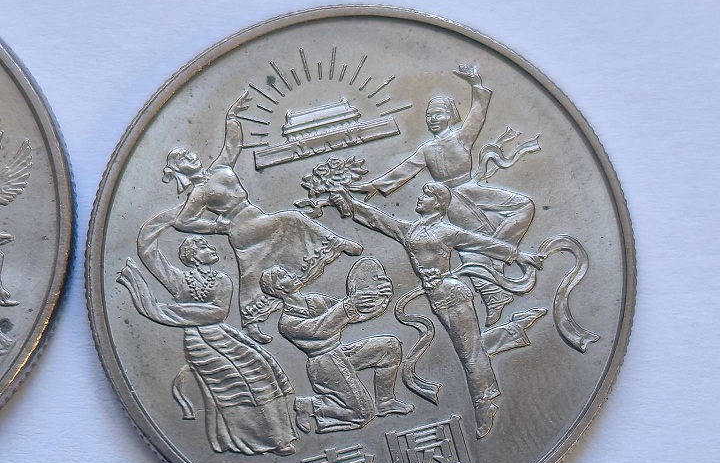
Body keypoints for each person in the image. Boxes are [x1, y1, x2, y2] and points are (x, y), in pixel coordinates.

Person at [328, 180, 543, 438]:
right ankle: (514, 330)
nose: (419, 198)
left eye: (426, 195)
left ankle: (484, 405)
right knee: (470, 348)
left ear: (439, 204)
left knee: (469, 354)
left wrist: (520, 255)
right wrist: (351, 203)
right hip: (437, 299)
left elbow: (482, 244)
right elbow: (379, 220)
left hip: (453, 295)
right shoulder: (411, 230)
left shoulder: (446, 232)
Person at [165, 92, 362, 343]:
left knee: (251, 273)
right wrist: (215, 226)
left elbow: (233, 145)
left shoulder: (219, 168)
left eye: (187, 153)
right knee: (291, 218)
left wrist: (232, 118)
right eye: (182, 159)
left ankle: (251, 323)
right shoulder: (199, 193)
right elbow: (182, 222)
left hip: (253, 220)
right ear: (179, 169)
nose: (189, 157)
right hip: (242, 226)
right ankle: (338, 242)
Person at [360, 65, 537, 325]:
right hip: (449, 199)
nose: (432, 119)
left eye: (438, 114)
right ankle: (493, 294)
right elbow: (405, 169)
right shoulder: (426, 149)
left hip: (470, 189)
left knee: (524, 205)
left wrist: (476, 83)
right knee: (468, 245)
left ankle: (495, 259)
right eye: (429, 115)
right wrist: (376, 185)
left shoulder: (461, 138)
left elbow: (478, 114)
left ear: (450, 116)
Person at [117, 209, 297, 456]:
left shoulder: (223, 280)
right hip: (199, 343)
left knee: (262, 370)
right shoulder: (180, 281)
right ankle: (253, 440)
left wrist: (167, 310)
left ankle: (279, 435)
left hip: (222, 336)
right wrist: (174, 216)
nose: (211, 248)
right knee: (234, 382)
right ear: (193, 257)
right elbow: (148, 251)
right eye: (203, 246)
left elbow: (218, 313)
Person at [260, 264, 413, 435]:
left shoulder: (315, 300)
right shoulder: (287, 322)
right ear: (279, 288)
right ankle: (310, 405)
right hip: (324, 365)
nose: (292, 275)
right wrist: (350, 304)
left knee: (389, 346)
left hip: (341, 353)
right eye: (284, 275)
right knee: (363, 414)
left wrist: (379, 298)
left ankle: (385, 401)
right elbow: (319, 329)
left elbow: (354, 315)